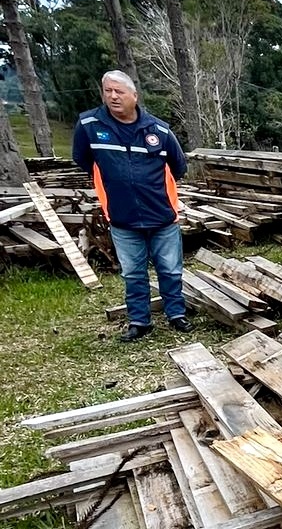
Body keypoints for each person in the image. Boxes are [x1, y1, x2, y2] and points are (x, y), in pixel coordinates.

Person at [73, 70, 194, 342]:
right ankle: (140, 321)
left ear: (134, 96)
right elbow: (82, 160)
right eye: (108, 91)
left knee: (171, 269)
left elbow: (179, 167)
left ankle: (176, 314)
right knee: (133, 273)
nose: (113, 96)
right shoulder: (90, 125)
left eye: (120, 91)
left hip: (162, 215)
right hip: (122, 217)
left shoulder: (159, 131)